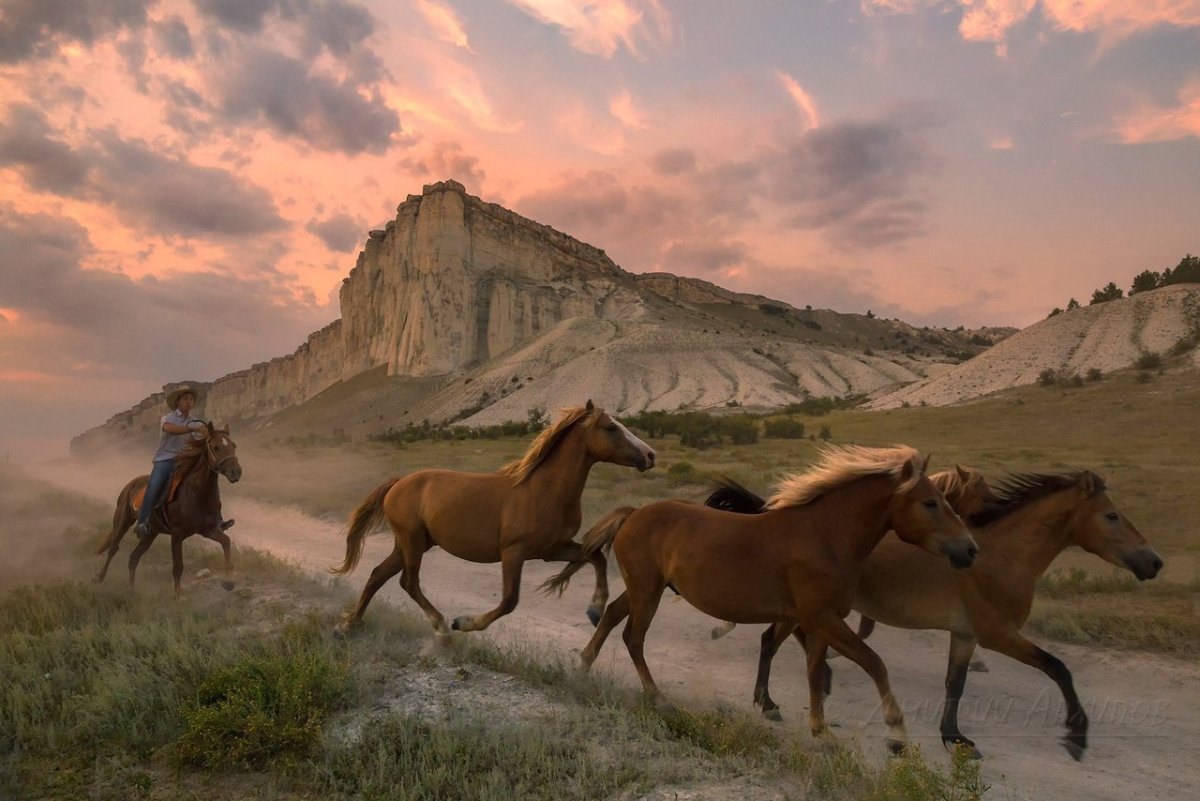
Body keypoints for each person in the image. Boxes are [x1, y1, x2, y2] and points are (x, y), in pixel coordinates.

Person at [134, 386, 208, 538]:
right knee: (154, 485)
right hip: (166, 459)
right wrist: (192, 428)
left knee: (204, 481)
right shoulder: (168, 419)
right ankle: (142, 521)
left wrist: (207, 436)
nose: (189, 402)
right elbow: (171, 429)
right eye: (186, 399)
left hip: (184, 460)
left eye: (191, 399)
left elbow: (197, 440)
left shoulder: (194, 421)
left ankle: (213, 519)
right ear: (178, 402)